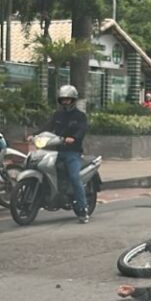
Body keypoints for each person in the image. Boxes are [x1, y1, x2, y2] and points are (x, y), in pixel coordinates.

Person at [48, 83, 90, 223]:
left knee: (74, 177)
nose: (65, 102)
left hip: (72, 152)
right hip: (56, 151)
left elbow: (81, 130)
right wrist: (34, 135)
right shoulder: (57, 115)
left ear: (73, 100)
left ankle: (83, 210)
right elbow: (47, 127)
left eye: (68, 99)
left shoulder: (80, 116)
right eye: (63, 99)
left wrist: (74, 138)